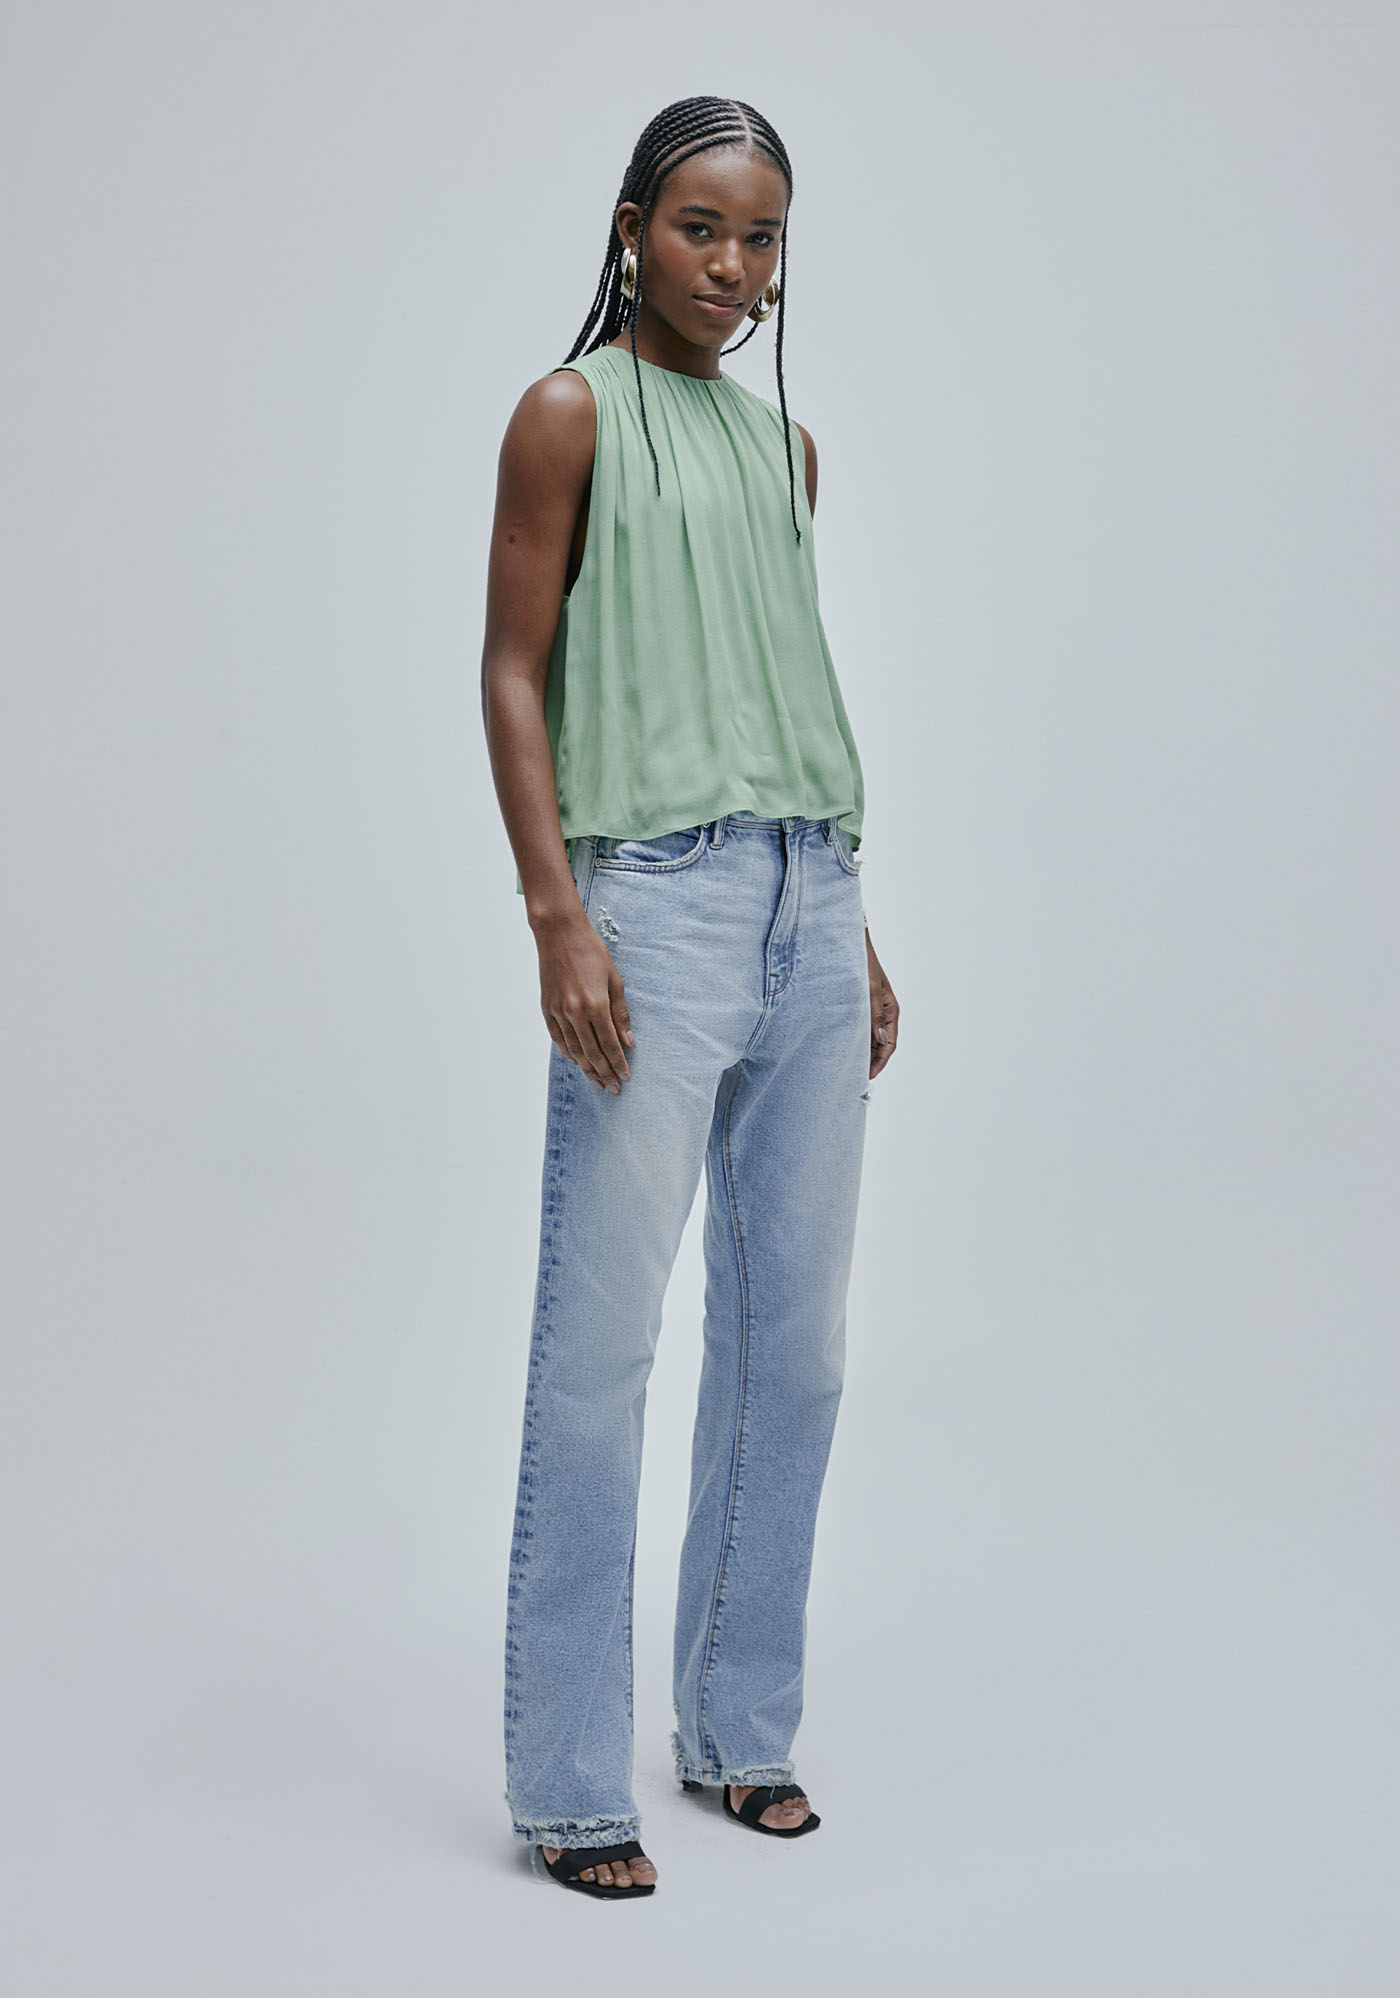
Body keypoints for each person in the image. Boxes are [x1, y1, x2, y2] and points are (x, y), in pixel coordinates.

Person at [481, 95, 900, 1900]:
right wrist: (556, 917)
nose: (733, 267)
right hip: (649, 904)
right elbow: (512, 670)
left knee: (794, 1345)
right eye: (701, 227)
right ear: (634, 227)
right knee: (602, 1352)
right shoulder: (568, 413)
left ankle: (739, 1725)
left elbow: (780, 675)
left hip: (814, 891)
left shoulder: (787, 450)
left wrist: (852, 926)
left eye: (763, 236)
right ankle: (573, 1779)